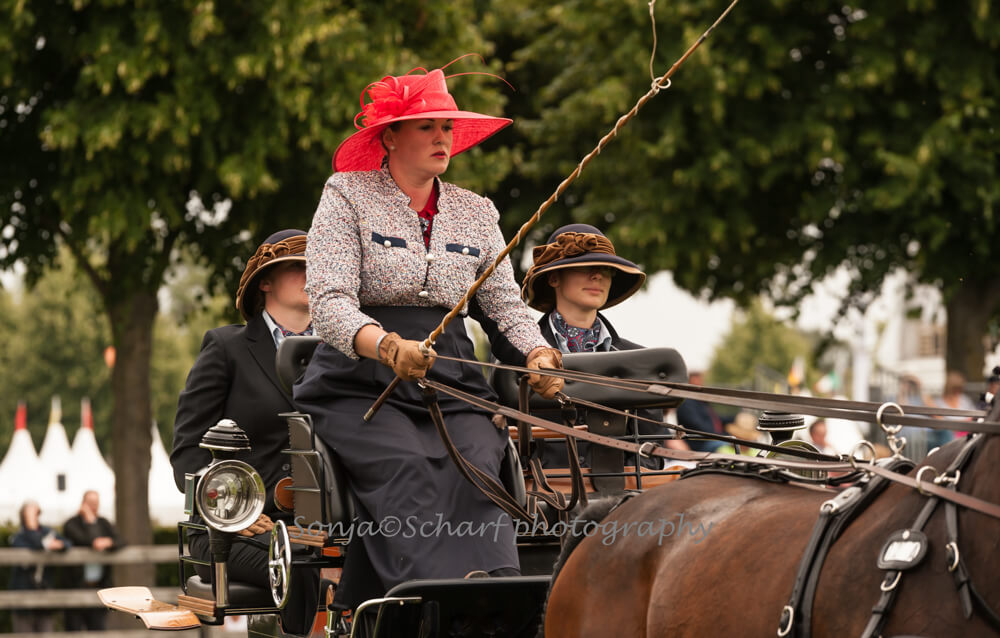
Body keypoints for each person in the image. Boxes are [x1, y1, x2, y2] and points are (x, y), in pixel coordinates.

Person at [294, 63, 564, 604]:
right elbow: (328, 302)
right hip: (359, 384)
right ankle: (432, 604)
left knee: (478, 458)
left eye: (447, 127)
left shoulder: (477, 211)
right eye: (427, 127)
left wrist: (538, 353)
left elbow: (504, 308)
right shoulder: (346, 195)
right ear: (390, 137)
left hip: (451, 382)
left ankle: (495, 598)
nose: (443, 138)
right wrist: (387, 346)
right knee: (409, 465)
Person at [170, 229, 319, 636]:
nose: (311, 273)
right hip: (232, 532)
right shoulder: (226, 347)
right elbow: (187, 453)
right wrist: (232, 513)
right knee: (300, 562)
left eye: (317, 265)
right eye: (297, 266)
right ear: (264, 282)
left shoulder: (341, 352)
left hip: (322, 526)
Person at [506, 223, 689, 467]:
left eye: (606, 269)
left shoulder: (639, 360)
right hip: (541, 489)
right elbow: (506, 447)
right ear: (553, 277)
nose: (597, 275)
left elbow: (651, 453)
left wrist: (622, 483)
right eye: (583, 266)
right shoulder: (516, 355)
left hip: (621, 490)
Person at [62, 490, 124, 631]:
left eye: (96, 503)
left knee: (97, 629)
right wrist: (90, 521)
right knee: (73, 630)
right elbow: (90, 541)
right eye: (90, 503)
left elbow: (121, 540)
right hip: (76, 587)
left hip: (99, 587)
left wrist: (110, 542)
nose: (94, 506)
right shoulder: (71, 524)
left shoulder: (103, 523)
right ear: (83, 504)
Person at [9, 500, 70, 633]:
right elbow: (37, 544)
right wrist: (44, 542)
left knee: (46, 631)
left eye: (35, 512)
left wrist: (57, 545)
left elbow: (67, 544)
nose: (33, 516)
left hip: (45, 594)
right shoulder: (19, 536)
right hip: (23, 597)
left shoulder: (47, 532)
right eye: (29, 513)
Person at [675, 371, 727, 452]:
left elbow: (715, 419)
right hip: (699, 443)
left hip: (711, 439)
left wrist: (735, 418)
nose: (700, 384)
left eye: (700, 381)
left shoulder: (701, 402)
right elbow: (698, 426)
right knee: (728, 446)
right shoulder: (686, 403)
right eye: (696, 381)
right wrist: (720, 436)